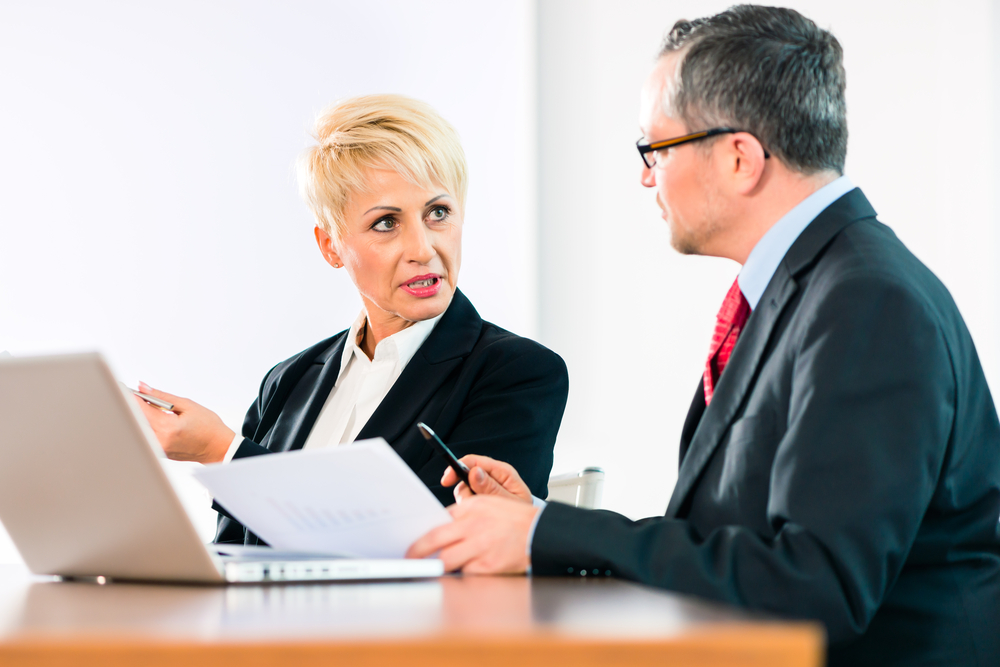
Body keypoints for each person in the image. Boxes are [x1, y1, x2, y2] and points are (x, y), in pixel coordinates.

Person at [406, 7, 1000, 666]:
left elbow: (812, 587)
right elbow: (728, 543)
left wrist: (546, 533)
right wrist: (538, 522)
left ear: (740, 158)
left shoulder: (868, 302)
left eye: (653, 149)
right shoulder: (813, 287)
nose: (644, 176)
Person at [135, 94, 569, 544]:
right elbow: (235, 553)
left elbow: (435, 545)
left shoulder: (518, 373)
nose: (423, 249)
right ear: (331, 247)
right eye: (386, 223)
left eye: (438, 213)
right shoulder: (288, 381)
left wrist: (221, 452)